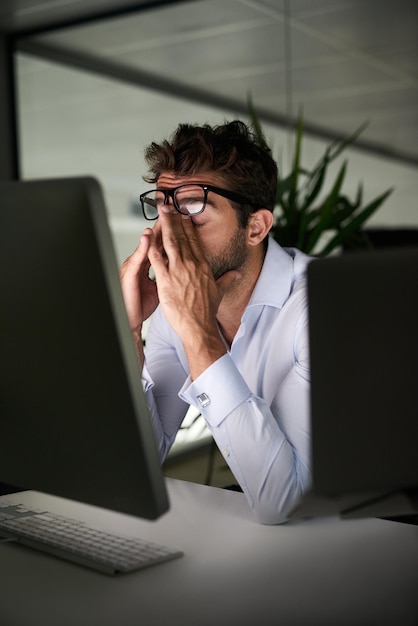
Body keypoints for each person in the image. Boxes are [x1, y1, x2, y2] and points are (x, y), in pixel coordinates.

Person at [120, 120, 312, 525]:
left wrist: (198, 329)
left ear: (255, 227)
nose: (167, 233)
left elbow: (282, 503)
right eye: (163, 208)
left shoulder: (318, 308)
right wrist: (129, 331)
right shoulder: (173, 314)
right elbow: (134, 464)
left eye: (192, 208)